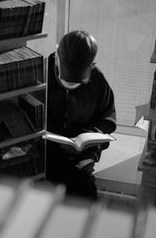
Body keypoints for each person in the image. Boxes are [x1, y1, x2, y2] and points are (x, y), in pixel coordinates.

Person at [46, 30, 116, 200]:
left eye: (77, 80)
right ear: (57, 58)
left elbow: (107, 121)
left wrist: (89, 152)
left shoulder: (97, 81)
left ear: (91, 66)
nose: (70, 83)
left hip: (80, 157)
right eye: (67, 76)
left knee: (86, 195)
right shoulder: (40, 73)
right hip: (45, 154)